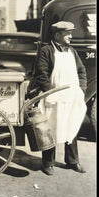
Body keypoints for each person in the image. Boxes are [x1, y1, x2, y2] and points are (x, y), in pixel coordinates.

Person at [27, 21, 87, 176]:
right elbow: (42, 73)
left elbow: (81, 71)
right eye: (67, 33)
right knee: (50, 129)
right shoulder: (46, 51)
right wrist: (50, 91)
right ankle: (48, 163)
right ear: (57, 35)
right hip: (53, 97)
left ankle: (73, 161)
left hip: (71, 96)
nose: (70, 36)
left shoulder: (72, 51)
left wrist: (82, 89)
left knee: (71, 126)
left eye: (70, 33)